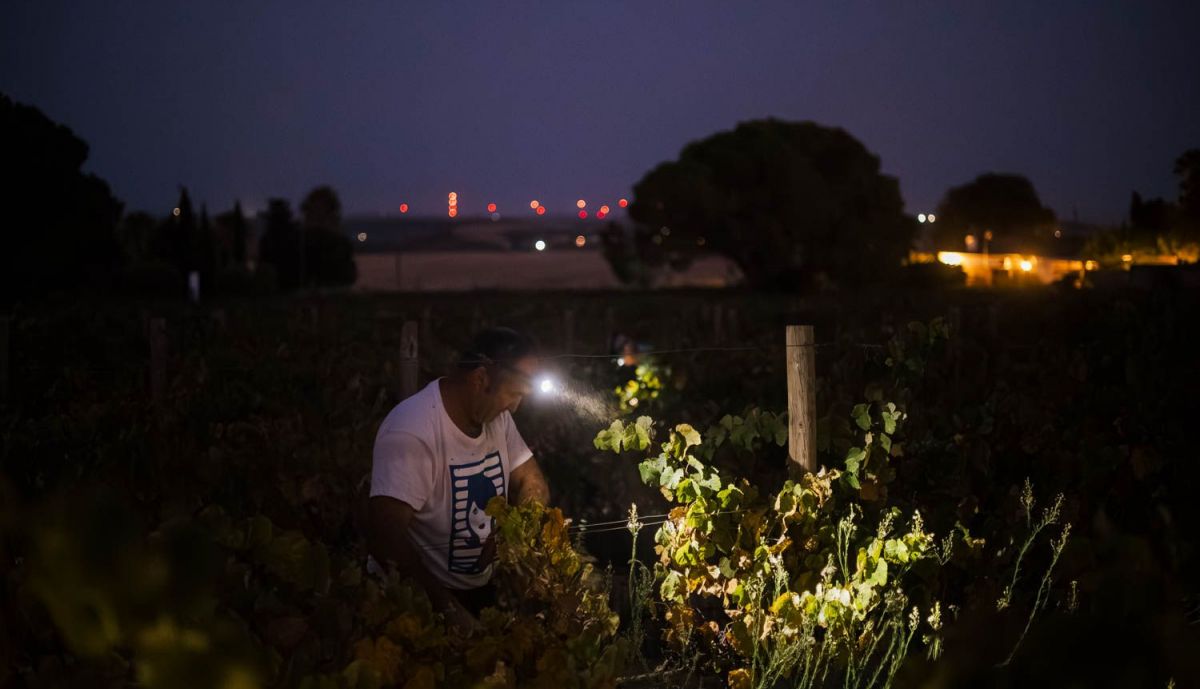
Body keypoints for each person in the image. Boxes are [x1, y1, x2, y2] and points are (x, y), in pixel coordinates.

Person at [367, 326, 550, 633]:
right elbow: (386, 538)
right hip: (418, 603)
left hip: (477, 590)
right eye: (514, 394)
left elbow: (533, 482)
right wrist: (447, 609)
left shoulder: (497, 418)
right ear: (480, 379)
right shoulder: (413, 431)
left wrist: (515, 532)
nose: (516, 407)